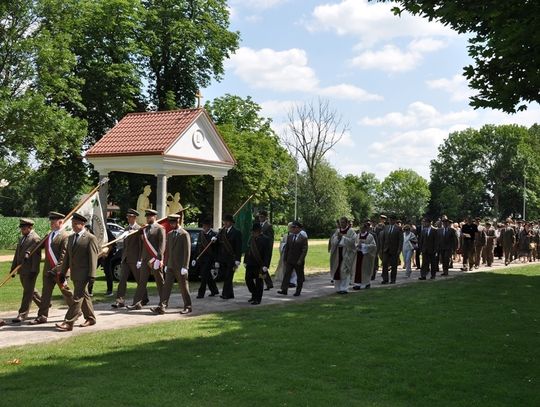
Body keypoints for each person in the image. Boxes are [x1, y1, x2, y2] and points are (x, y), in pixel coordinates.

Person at [55, 213, 100, 331]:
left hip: (85, 274)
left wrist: (92, 276)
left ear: (83, 224)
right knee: (84, 296)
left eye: (76, 224)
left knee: (77, 297)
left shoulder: (90, 238)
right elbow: (67, 258)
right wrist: (62, 273)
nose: (73, 226)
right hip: (75, 273)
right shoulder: (71, 238)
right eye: (72, 224)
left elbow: (93, 258)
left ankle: (69, 322)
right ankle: (90, 318)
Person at [32, 212, 74, 325]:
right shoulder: (49, 235)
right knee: (45, 294)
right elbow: (38, 245)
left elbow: (64, 256)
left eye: (53, 221)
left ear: (61, 222)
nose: (51, 223)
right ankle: (42, 316)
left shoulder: (65, 236)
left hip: (60, 272)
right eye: (51, 221)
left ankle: (76, 310)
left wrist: (55, 270)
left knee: (66, 292)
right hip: (47, 271)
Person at [151, 213, 192, 314]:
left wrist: (185, 266)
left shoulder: (184, 234)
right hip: (170, 265)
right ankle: (162, 306)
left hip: (180, 266)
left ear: (178, 222)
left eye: (173, 223)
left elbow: (187, 251)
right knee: (166, 287)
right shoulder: (169, 234)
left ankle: (188, 306)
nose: (172, 224)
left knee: (183, 287)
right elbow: (167, 250)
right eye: (171, 223)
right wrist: (165, 263)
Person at [127, 209, 166, 310]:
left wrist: (159, 259)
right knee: (142, 281)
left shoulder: (160, 228)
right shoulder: (144, 229)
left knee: (159, 282)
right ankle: (137, 303)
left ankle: (163, 303)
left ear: (155, 217)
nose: (148, 218)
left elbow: (162, 245)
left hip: (155, 259)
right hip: (145, 259)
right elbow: (137, 236)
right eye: (147, 216)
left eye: (150, 216)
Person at [10, 218, 42, 323]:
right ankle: (44, 304)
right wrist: (13, 269)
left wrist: (34, 270)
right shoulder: (22, 238)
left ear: (30, 227)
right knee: (30, 290)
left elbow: (37, 257)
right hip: (21, 269)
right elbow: (17, 254)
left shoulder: (35, 238)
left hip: (30, 270)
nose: (22, 230)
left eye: (24, 228)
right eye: (21, 228)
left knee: (27, 292)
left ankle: (22, 314)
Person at [111, 209, 144, 308]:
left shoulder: (139, 229)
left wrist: (140, 259)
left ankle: (144, 298)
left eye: (130, 217)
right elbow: (125, 245)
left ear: (134, 217)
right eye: (128, 217)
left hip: (135, 259)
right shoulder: (126, 230)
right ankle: (120, 300)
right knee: (122, 280)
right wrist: (123, 257)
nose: (128, 218)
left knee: (139, 280)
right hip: (125, 258)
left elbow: (141, 245)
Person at [278, 220, 308, 296]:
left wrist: (300, 260)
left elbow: (304, 250)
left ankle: (298, 291)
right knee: (287, 275)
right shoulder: (290, 237)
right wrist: (285, 259)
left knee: (299, 276)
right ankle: (284, 289)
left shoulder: (303, 238)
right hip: (290, 260)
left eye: (294, 227)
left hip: (298, 261)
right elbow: (287, 249)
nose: (292, 229)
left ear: (299, 228)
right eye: (292, 227)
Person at [244, 222, 271, 305]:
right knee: (248, 279)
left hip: (260, 264)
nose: (252, 233)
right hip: (250, 263)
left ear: (258, 231)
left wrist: (266, 265)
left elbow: (268, 253)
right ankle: (254, 294)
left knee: (259, 282)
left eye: (254, 231)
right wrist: (245, 261)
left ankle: (257, 299)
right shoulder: (251, 238)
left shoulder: (266, 239)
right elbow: (248, 250)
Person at [216, 214, 242, 300]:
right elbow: (219, 246)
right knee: (225, 276)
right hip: (223, 258)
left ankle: (225, 294)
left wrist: (238, 260)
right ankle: (230, 294)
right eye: (224, 221)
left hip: (232, 258)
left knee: (228, 276)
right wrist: (214, 240)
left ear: (231, 223)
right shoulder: (222, 232)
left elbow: (238, 247)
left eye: (227, 221)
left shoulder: (237, 232)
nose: (225, 223)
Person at [329, 217, 357, 294]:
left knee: (344, 270)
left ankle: (344, 288)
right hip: (337, 253)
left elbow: (353, 242)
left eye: (343, 222)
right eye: (341, 222)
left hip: (346, 253)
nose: (342, 224)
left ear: (347, 223)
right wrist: (337, 238)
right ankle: (338, 288)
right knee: (337, 270)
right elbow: (333, 241)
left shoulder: (351, 231)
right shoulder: (337, 231)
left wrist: (343, 238)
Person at [194, 217, 219, 298]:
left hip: (209, 258)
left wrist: (216, 241)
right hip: (201, 258)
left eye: (206, 226)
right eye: (203, 226)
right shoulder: (201, 234)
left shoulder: (214, 235)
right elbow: (198, 246)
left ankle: (201, 293)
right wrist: (195, 258)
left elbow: (218, 249)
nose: (204, 227)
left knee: (204, 275)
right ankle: (214, 290)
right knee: (207, 275)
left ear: (209, 226)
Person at [353, 220, 377, 289]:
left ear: (366, 229)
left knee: (365, 269)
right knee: (357, 269)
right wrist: (357, 245)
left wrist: (364, 246)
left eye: (363, 228)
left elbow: (373, 246)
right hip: (358, 255)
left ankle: (366, 283)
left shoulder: (370, 236)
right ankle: (357, 284)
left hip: (366, 256)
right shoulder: (357, 236)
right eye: (361, 228)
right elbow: (355, 243)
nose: (361, 230)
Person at [379, 215, 403, 284]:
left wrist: (399, 249)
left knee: (394, 265)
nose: (390, 221)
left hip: (394, 249)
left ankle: (393, 279)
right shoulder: (386, 228)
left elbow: (401, 240)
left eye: (392, 220)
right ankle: (385, 279)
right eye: (390, 220)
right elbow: (383, 239)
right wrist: (382, 248)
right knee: (385, 263)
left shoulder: (398, 228)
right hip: (386, 249)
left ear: (395, 220)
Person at [258, 210, 275, 290]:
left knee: (263, 266)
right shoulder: (258, 225)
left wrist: (269, 250)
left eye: (261, 216)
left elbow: (270, 240)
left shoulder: (268, 226)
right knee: (261, 267)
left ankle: (267, 283)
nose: (260, 218)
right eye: (259, 216)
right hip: (259, 249)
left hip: (265, 249)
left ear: (265, 217)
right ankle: (269, 283)